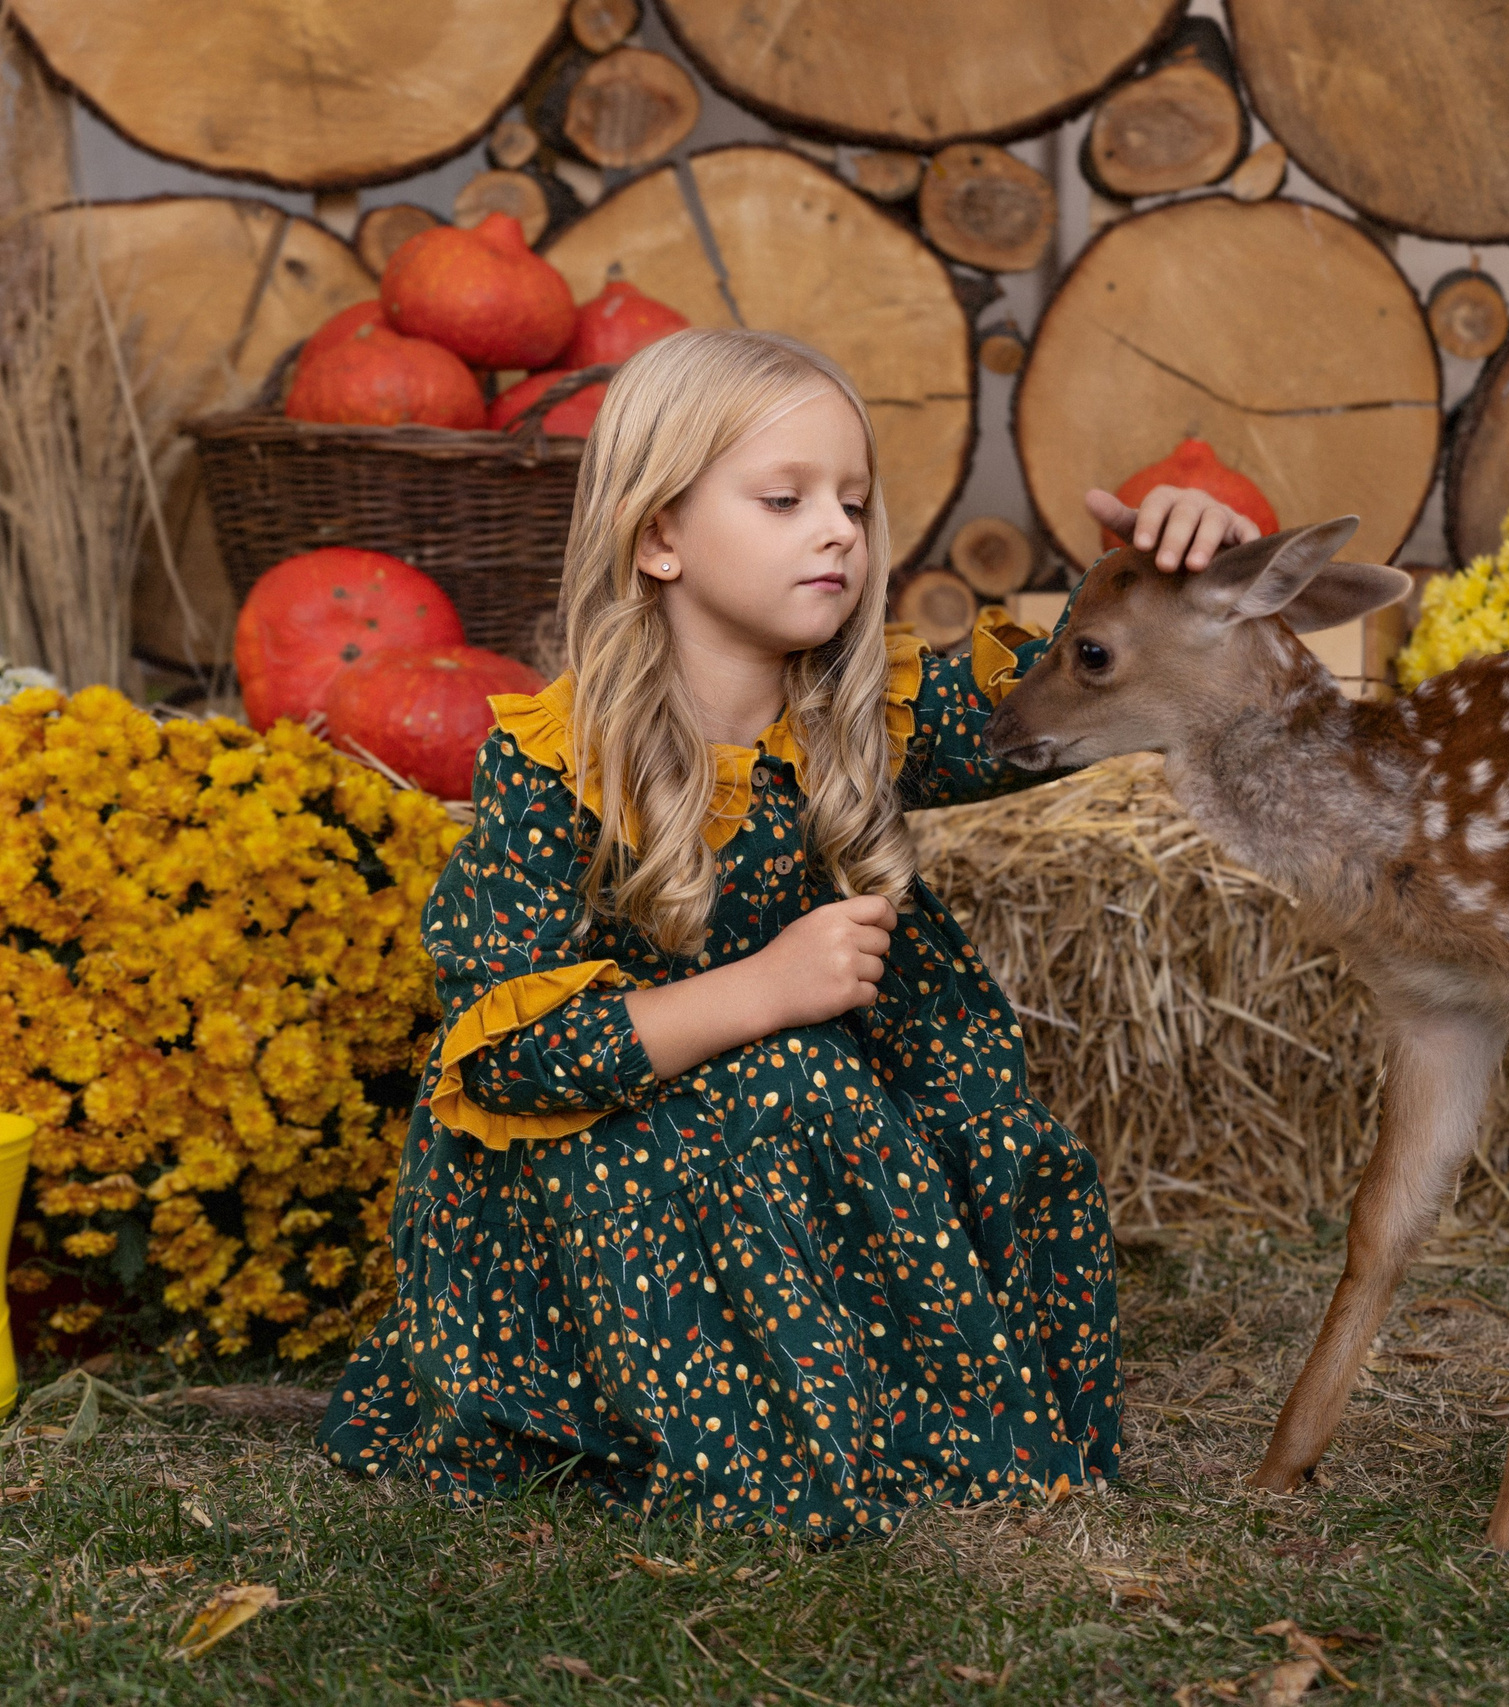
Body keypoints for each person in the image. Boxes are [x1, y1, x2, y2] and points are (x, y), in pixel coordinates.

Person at [320, 328, 1259, 1538]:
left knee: (966, 1121)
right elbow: (508, 1054)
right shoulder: (563, 765)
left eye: (855, 504)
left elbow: (1085, 680)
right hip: (608, 1148)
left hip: (818, 1101)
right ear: (658, 535)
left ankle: (915, 1422)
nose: (840, 533)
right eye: (785, 499)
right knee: (792, 1082)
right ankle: (747, 1424)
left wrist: (1175, 574)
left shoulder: (866, 710)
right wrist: (761, 990)